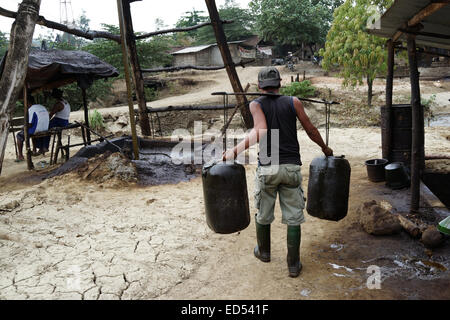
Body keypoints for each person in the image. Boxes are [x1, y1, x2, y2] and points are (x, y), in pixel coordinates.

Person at [222, 67, 333, 278]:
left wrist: (233, 152)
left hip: (269, 166)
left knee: (263, 213)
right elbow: (310, 129)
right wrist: (325, 148)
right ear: (280, 84)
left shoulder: (255, 104)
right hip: (291, 167)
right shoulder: (294, 102)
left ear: (259, 86)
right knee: (293, 217)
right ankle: (293, 264)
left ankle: (263, 252)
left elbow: (260, 130)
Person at [17, 95, 50, 161]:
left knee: (19, 135)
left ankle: (20, 155)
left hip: (37, 129)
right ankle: (35, 149)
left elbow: (30, 124)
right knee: (31, 130)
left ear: (28, 102)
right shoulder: (42, 106)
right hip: (46, 128)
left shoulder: (31, 109)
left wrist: (23, 127)